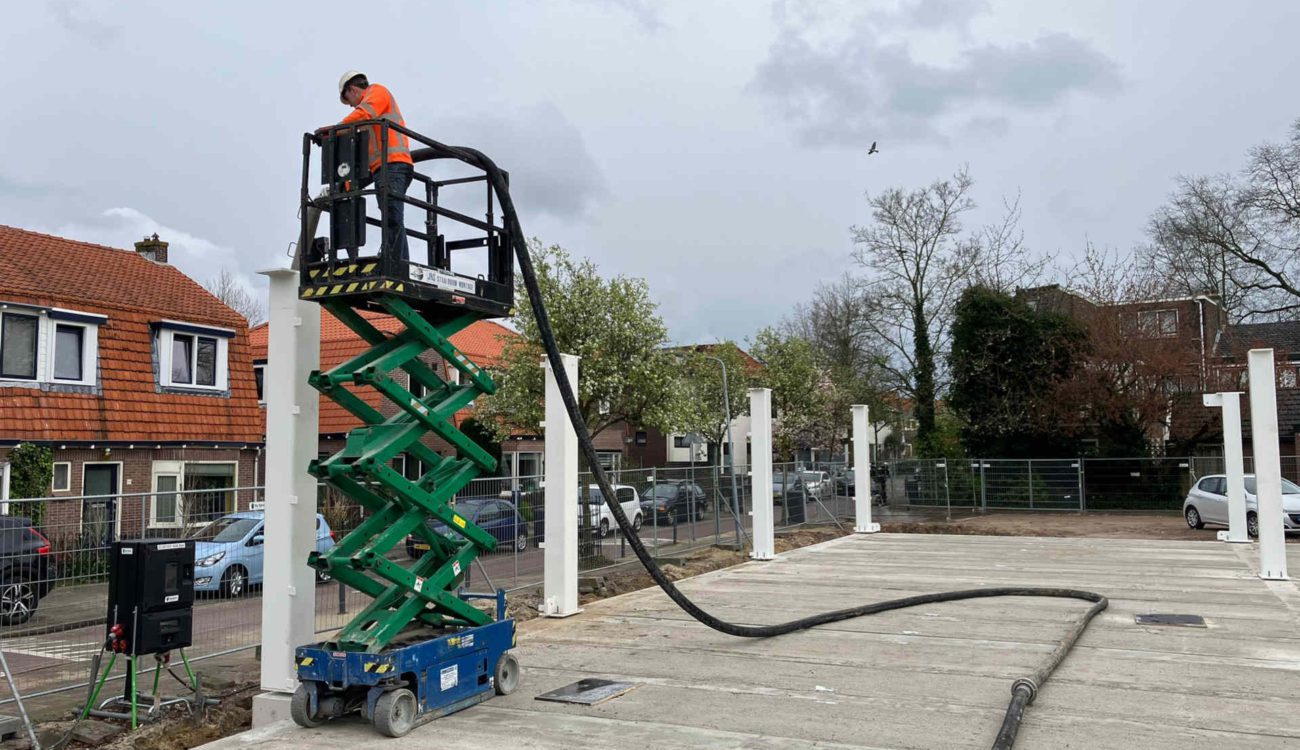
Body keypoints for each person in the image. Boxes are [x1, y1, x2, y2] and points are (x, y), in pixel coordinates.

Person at [319, 71, 414, 261]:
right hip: (382, 168)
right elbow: (361, 156)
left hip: (394, 164)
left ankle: (396, 263)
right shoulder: (366, 117)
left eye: (350, 102)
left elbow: (363, 114)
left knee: (392, 216)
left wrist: (333, 131)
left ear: (352, 90)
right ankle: (395, 260)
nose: (352, 107)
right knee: (390, 214)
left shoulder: (377, 93)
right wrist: (344, 186)